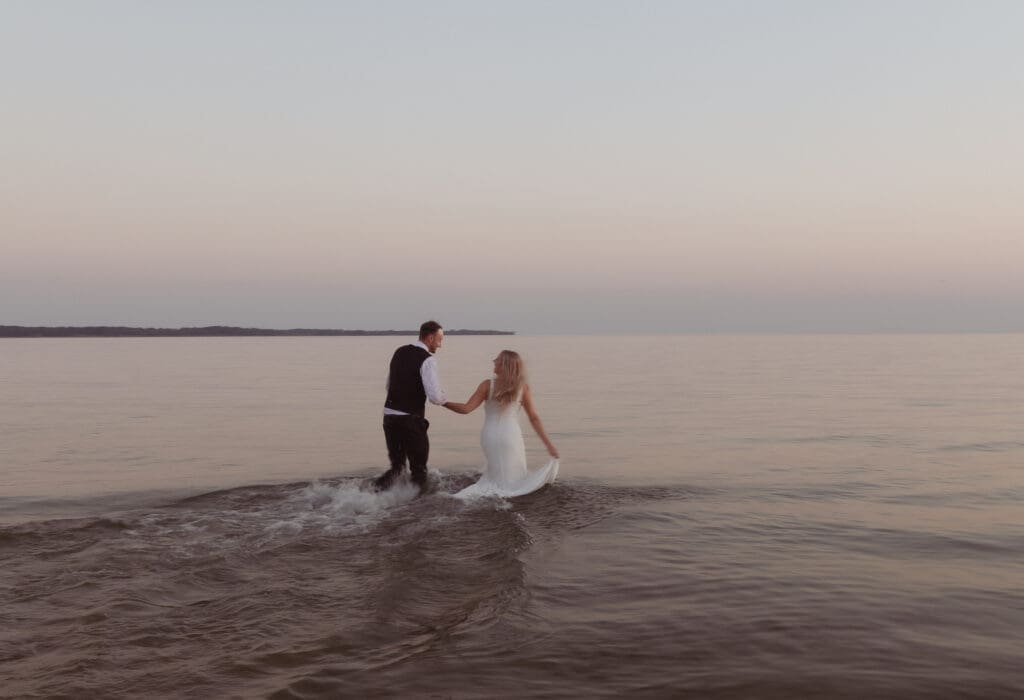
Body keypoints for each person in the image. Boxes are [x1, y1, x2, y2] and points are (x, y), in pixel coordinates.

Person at [444, 350, 560, 498]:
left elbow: (466, 409)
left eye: (497, 360)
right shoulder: (522, 388)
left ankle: (497, 495)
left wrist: (444, 402)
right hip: (510, 435)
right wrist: (549, 445)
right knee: (514, 475)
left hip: (489, 435)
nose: (494, 361)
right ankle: (510, 498)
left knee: (496, 474)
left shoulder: (487, 385)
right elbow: (534, 418)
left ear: (504, 365)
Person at [374, 320, 449, 493]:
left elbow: (388, 385)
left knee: (397, 467)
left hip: (389, 418)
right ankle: (418, 511)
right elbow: (435, 397)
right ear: (430, 337)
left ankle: (372, 494)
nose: (440, 344)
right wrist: (446, 399)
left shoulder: (399, 352)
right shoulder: (428, 360)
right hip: (410, 420)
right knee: (419, 469)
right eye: (440, 339)